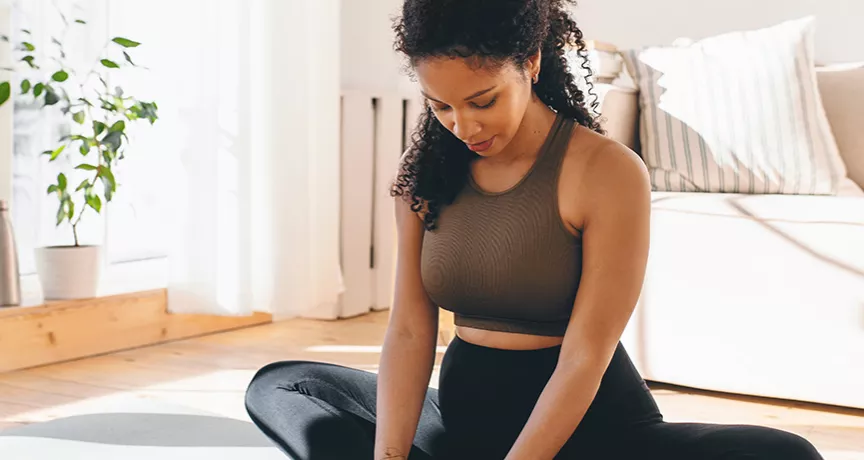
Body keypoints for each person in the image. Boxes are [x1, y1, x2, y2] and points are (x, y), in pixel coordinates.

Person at [245, 1, 825, 458]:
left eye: (482, 101)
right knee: (283, 387)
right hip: (464, 424)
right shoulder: (425, 171)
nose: (462, 126)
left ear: (530, 63)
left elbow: (586, 355)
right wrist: (389, 457)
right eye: (440, 107)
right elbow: (409, 331)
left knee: (782, 453)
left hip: (593, 431)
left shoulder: (606, 171)